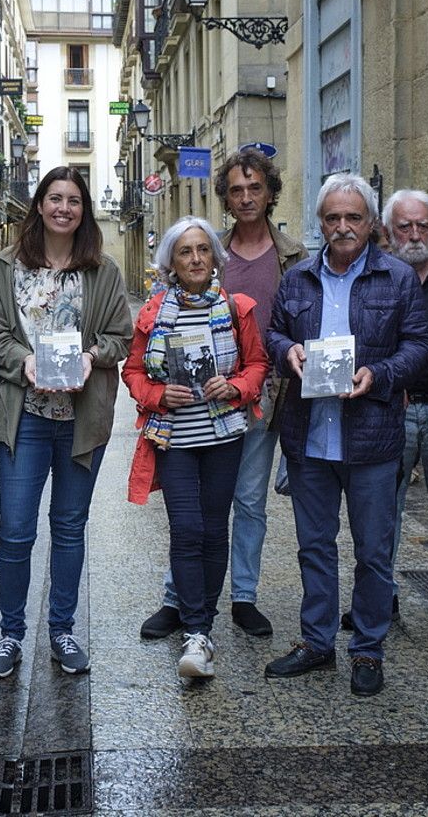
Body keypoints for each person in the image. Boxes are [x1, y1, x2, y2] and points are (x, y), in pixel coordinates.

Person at [264, 174, 428, 697]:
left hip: (373, 436)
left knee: (374, 551)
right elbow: (273, 331)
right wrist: (285, 351)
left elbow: (418, 346)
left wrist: (378, 375)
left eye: (353, 217)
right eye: (332, 218)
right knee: (314, 546)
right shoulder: (297, 279)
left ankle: (367, 649)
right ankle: (317, 643)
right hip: (309, 435)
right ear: (320, 222)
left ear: (370, 223)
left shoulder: (399, 278)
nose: (342, 227)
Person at [139, 148, 305, 641]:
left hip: (266, 395)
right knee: (192, 513)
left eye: (256, 188)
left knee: (249, 502)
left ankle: (244, 597)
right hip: (196, 405)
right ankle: (180, 599)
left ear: (271, 193)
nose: (247, 197)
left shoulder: (293, 256)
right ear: (226, 199)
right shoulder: (210, 247)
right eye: (237, 189)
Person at [0, 166, 132, 678]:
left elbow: (122, 336)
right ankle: (9, 634)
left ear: (83, 210)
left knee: (69, 528)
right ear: (39, 205)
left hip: (79, 420)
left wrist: (92, 356)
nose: (63, 208)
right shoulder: (7, 266)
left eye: (73, 200)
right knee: (15, 530)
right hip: (24, 417)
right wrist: (22, 363)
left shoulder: (103, 271)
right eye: (54, 198)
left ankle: (63, 630)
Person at [123, 216, 269, 678]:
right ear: (171, 262)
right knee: (186, 530)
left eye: (203, 249)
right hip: (175, 440)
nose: (195, 259)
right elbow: (133, 372)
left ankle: (199, 630)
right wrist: (156, 394)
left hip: (223, 437)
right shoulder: (152, 313)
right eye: (185, 251)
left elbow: (258, 364)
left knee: (212, 531)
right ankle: (196, 628)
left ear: (215, 257)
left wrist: (236, 387)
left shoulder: (236, 308)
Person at [340, 189, 428, 639]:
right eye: (404, 227)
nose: (414, 235)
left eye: (423, 226)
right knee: (379, 514)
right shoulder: (375, 278)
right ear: (387, 233)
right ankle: (379, 598)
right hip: (390, 408)